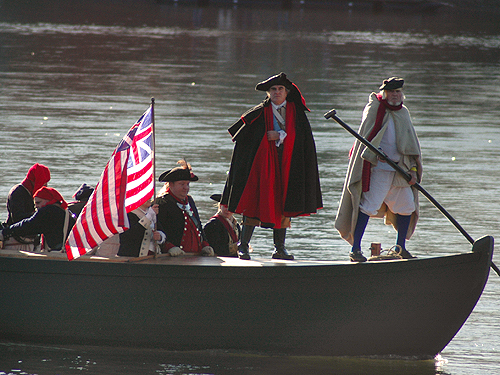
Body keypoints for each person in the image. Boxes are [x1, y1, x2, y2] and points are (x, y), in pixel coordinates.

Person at [221, 72, 322, 260]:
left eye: (280, 89)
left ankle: (279, 249)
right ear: (268, 93)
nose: (277, 92)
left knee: (284, 206)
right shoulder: (258, 113)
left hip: (288, 166)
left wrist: (281, 136)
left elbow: (302, 141)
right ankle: (243, 246)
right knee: (253, 203)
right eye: (273, 89)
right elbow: (245, 143)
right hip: (261, 168)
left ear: (287, 91)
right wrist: (264, 138)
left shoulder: (297, 113)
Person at [335, 77, 423, 262]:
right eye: (391, 92)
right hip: (379, 169)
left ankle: (400, 249)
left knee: (407, 207)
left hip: (400, 170)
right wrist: (377, 153)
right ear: (384, 94)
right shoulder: (374, 109)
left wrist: (413, 170)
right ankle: (356, 250)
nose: (395, 95)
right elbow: (365, 140)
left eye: (398, 92)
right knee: (367, 206)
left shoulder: (403, 113)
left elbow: (411, 146)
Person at [155, 160, 214, 257]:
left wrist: (205, 244)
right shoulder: (162, 203)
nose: (186, 187)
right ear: (170, 184)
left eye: (187, 184)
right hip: (172, 257)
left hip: (195, 256)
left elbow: (198, 224)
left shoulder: (189, 200)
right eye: (182, 184)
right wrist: (168, 247)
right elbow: (157, 229)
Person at [0, 186, 75, 252]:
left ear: (48, 200)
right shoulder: (64, 211)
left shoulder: (48, 211)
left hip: (59, 252)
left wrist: (5, 232)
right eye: (35, 205)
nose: (37, 207)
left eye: (38, 202)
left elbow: (28, 226)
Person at [2, 163, 51, 251]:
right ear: (36, 180)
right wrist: (38, 215)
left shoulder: (34, 195)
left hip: (31, 242)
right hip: (16, 241)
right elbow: (17, 218)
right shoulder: (17, 192)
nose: (45, 186)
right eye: (44, 182)